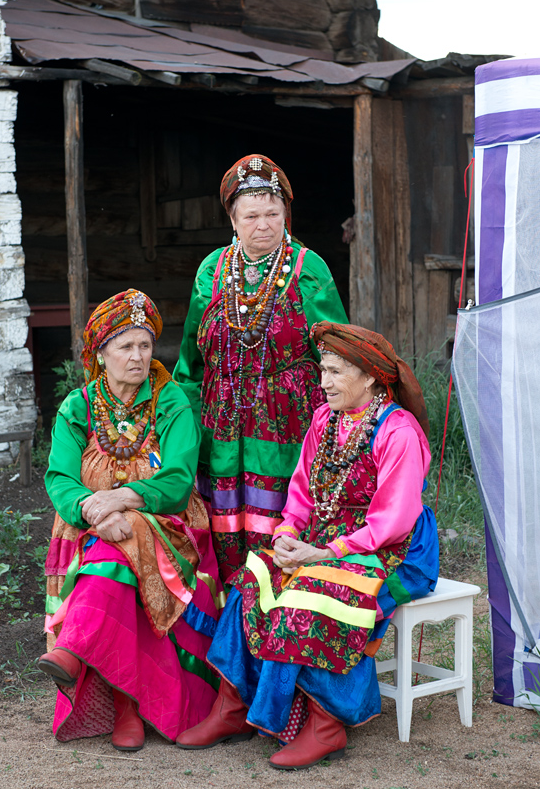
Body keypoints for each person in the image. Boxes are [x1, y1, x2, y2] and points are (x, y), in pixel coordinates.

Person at [176, 322, 439, 770]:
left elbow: (392, 520)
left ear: (371, 376)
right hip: (323, 537)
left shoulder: (399, 432)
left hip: (389, 549)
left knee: (316, 594)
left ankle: (326, 724)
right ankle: (234, 706)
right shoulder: (324, 418)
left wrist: (326, 553)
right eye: (323, 370)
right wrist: (285, 536)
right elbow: (300, 493)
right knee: (251, 579)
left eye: (336, 372)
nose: (324, 382)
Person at [38, 289, 223, 751]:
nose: (138, 357)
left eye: (145, 345)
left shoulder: (171, 401)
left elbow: (178, 480)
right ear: (101, 354)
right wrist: (93, 512)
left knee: (125, 540)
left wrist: (120, 499)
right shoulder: (78, 407)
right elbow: (60, 478)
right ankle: (125, 706)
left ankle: (78, 653)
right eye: (126, 347)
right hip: (92, 529)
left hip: (170, 527)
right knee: (115, 550)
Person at [173, 154, 348, 584]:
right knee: (224, 528)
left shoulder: (310, 270)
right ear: (233, 219)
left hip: (289, 426)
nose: (264, 224)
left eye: (273, 213)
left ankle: (279, 617)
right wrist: (181, 425)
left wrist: (343, 425)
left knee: (282, 529)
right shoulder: (212, 271)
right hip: (223, 427)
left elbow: (341, 353)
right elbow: (190, 360)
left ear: (286, 214)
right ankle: (230, 621)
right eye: (251, 215)